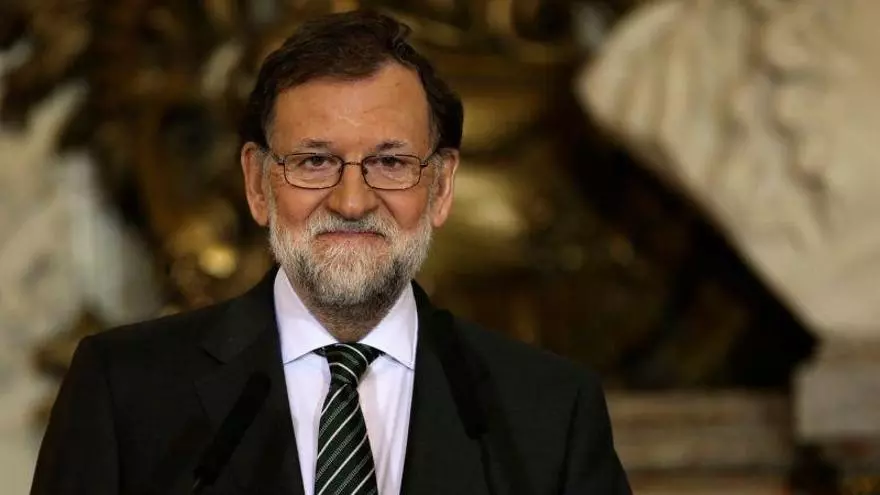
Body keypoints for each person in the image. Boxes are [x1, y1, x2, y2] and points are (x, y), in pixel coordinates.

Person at [31, 10, 631, 495]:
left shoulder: (549, 411)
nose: (351, 200)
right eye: (315, 161)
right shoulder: (125, 393)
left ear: (441, 186)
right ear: (257, 184)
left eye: (390, 162)